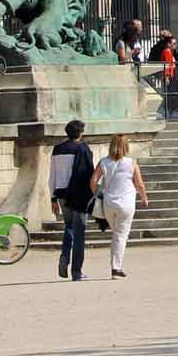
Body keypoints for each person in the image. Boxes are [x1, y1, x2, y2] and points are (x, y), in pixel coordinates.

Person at [89, 133, 146, 279]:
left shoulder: (103, 162)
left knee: (117, 234)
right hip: (126, 202)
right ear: (126, 146)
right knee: (121, 235)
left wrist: (98, 194)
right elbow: (139, 183)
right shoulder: (131, 162)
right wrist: (144, 198)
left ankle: (116, 265)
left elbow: (93, 181)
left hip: (109, 203)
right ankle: (116, 268)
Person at [49, 119, 95, 281]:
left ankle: (64, 256)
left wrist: (53, 198)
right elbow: (89, 174)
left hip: (61, 194)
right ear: (81, 133)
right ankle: (77, 271)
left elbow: (52, 175)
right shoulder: (83, 149)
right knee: (80, 232)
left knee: (69, 227)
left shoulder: (58, 149)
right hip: (78, 195)